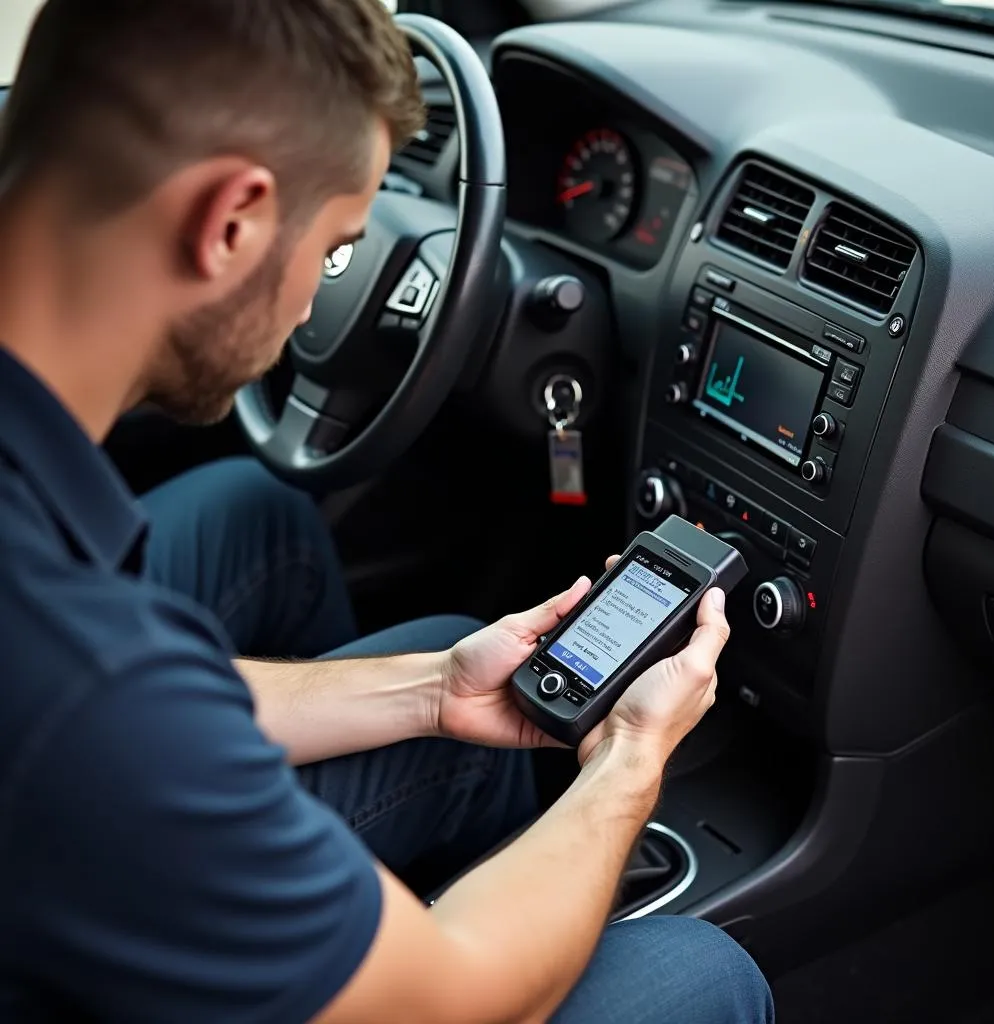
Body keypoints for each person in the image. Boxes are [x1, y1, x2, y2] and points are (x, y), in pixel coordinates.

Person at [0, 1, 775, 1021]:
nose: (322, 295)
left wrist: (433, 687)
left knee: (426, 648)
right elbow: (458, 996)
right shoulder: (80, 670)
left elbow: (138, 709)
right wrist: (630, 759)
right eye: (333, 250)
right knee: (704, 977)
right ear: (230, 222)